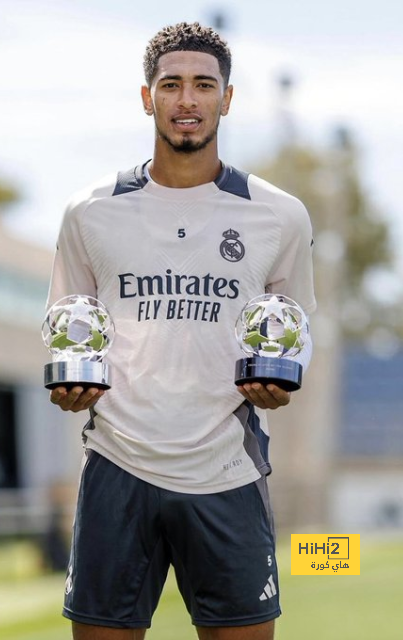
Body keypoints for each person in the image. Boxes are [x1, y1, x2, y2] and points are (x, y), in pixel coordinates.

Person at [47, 22, 316, 640]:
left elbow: (299, 325)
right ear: (148, 98)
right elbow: (68, 325)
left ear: (228, 97)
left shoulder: (278, 214)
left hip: (227, 469)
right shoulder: (89, 210)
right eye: (171, 85)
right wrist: (69, 387)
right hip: (118, 463)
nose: (187, 101)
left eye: (203, 85)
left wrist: (285, 381)